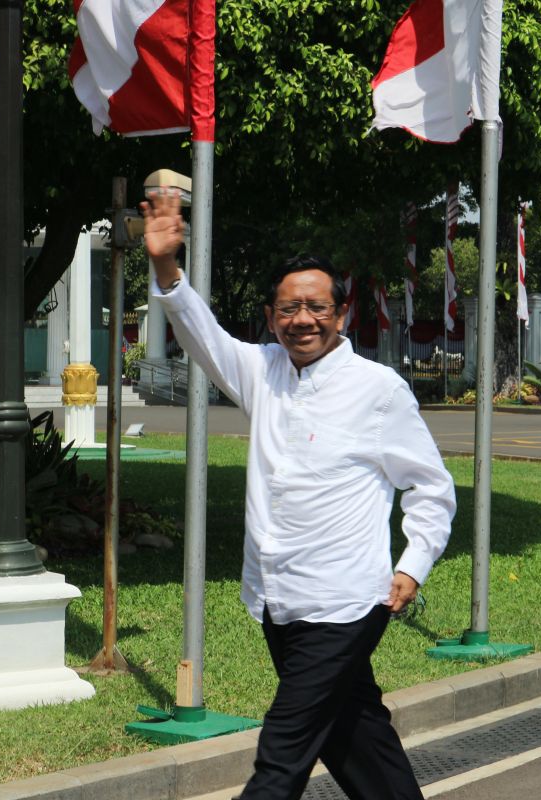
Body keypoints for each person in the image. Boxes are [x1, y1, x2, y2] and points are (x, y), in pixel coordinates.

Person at [141, 189, 456, 800]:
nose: (301, 320)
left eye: (316, 307)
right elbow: (201, 334)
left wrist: (414, 563)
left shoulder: (378, 389)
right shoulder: (261, 371)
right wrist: (165, 266)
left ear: (341, 314)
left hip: (343, 603)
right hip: (277, 600)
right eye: (288, 309)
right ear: (270, 317)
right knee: (354, 734)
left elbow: (430, 486)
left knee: (281, 755)